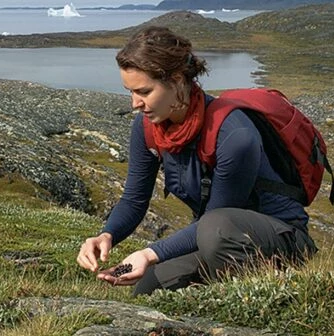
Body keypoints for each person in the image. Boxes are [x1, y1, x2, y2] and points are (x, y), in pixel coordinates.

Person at [76, 26, 317, 295]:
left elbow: (217, 218)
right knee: (148, 287)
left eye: (144, 91)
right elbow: (134, 200)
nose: (135, 103)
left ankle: (252, 301)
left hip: (280, 240)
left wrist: (149, 253)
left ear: (177, 80)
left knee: (215, 227)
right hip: (216, 239)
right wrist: (107, 235)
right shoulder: (147, 129)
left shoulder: (234, 134)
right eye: (130, 92)